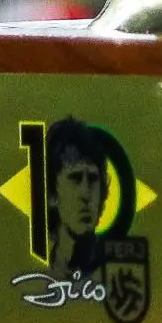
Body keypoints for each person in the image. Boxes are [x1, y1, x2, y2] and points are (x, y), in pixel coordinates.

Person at [46, 116, 108, 277]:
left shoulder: (113, 269)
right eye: (75, 178)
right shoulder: (39, 266)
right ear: (53, 193)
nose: (86, 193)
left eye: (93, 179)